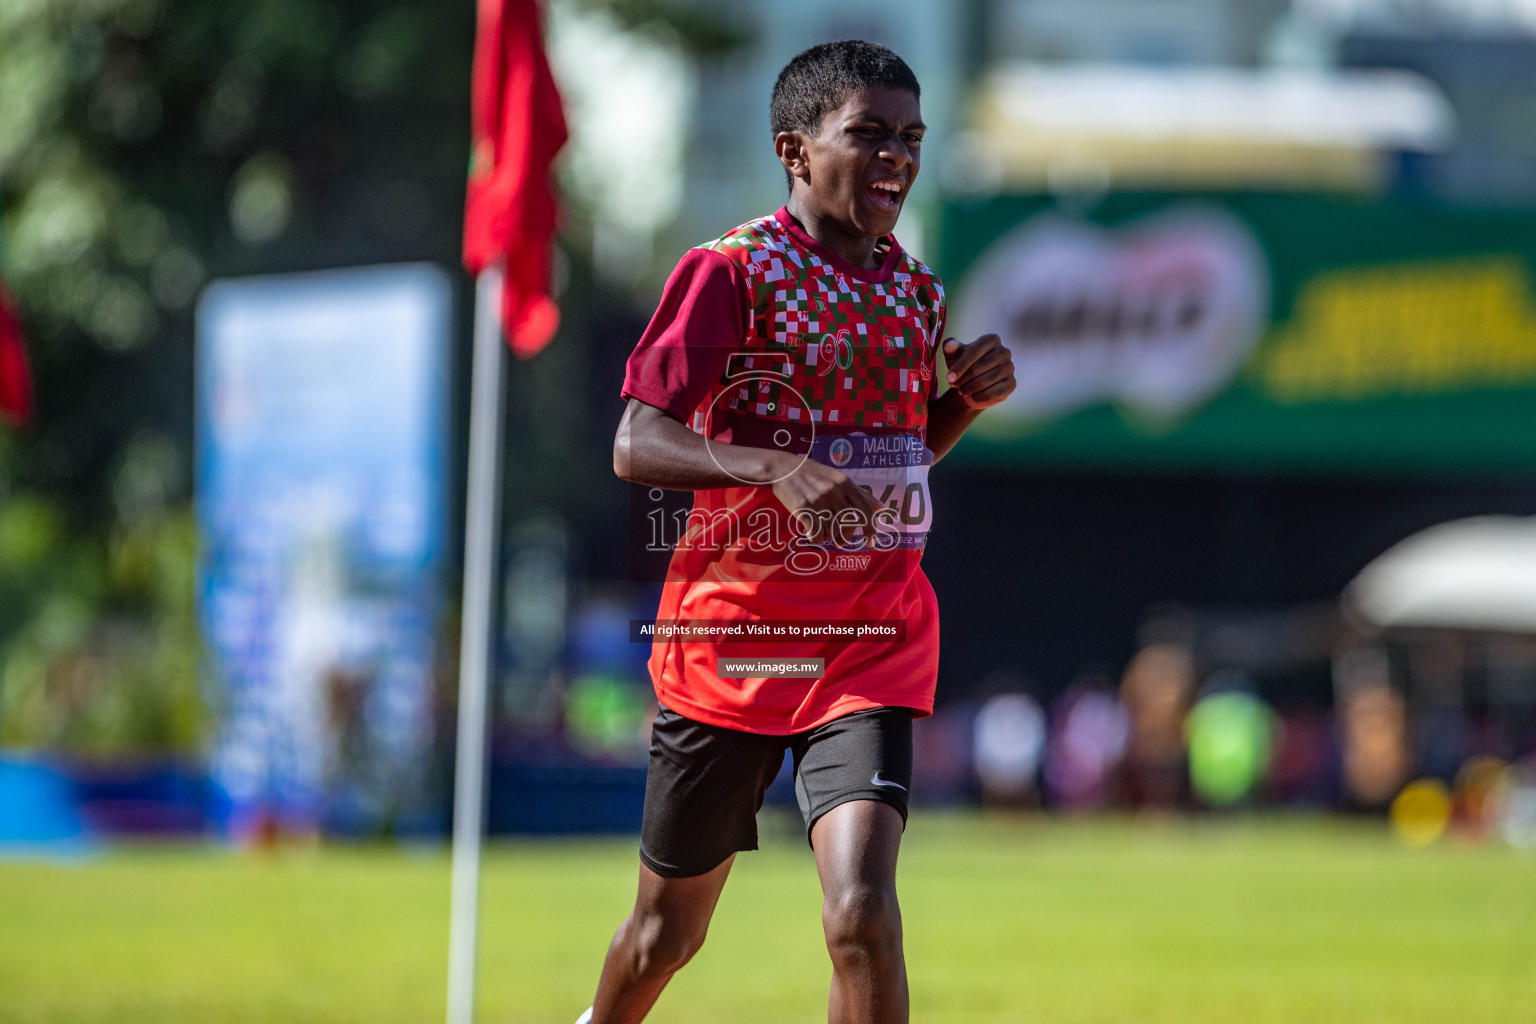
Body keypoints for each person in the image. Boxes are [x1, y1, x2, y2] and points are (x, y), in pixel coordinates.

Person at [579, 40, 1016, 1024]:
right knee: (665, 936)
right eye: (867, 135)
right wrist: (772, 465)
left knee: (861, 912)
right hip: (733, 645)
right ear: (795, 148)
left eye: (910, 137)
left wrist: (961, 407)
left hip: (871, 640)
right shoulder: (727, 271)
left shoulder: (916, 292)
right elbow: (635, 441)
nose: (895, 157)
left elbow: (889, 464)